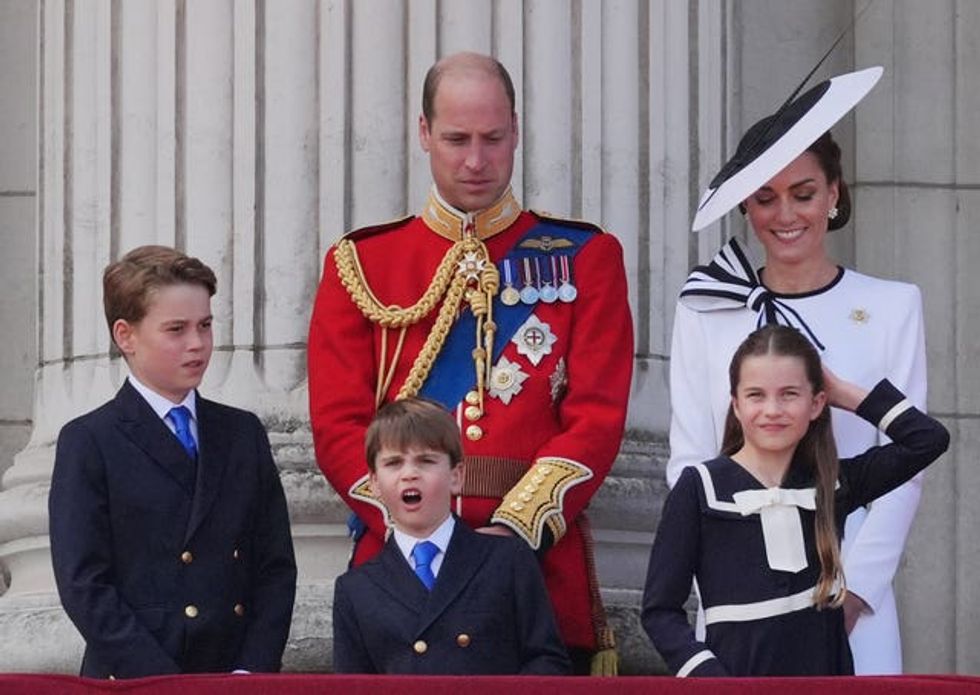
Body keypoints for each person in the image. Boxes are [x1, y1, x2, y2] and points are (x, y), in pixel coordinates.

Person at [308, 52, 632, 673]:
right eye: (456, 139)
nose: (476, 160)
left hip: (535, 564)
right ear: (424, 133)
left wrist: (514, 531)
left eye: (494, 138)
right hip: (401, 562)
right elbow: (337, 426)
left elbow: (596, 417)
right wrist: (417, 527)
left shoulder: (585, 256)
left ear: (517, 129)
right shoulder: (361, 264)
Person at [668, 67, 928, 673]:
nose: (785, 214)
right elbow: (690, 461)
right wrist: (726, 587)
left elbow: (907, 468)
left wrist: (853, 593)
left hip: (850, 590)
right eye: (764, 197)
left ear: (834, 194)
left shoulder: (894, 306)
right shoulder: (708, 307)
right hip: (737, 596)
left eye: (803, 193)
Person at [49, 246, 297, 679]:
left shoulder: (242, 434)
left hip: (232, 676)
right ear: (125, 335)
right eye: (176, 329)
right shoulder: (89, 440)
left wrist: (251, 672)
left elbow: (274, 567)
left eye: (205, 325)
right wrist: (159, 682)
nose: (197, 344)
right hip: (134, 679)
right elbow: (84, 583)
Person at [644, 325, 948, 677]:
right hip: (733, 684)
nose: (772, 409)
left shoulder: (834, 484)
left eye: (789, 394)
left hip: (825, 682)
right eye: (756, 395)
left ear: (817, 402)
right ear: (736, 405)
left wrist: (844, 393)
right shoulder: (699, 488)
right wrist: (710, 678)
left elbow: (928, 440)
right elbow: (659, 610)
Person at [332, 398, 570, 674]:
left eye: (426, 461)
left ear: (456, 476)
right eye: (394, 463)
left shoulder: (507, 560)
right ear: (373, 483)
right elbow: (351, 686)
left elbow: (547, 663)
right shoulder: (356, 589)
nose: (409, 474)